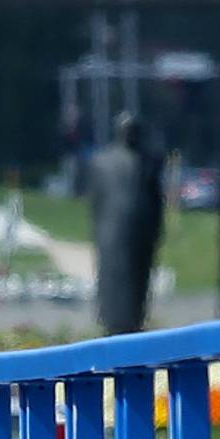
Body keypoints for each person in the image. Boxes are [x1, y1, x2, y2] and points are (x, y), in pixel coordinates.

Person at [88, 104, 168, 336]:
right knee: (116, 282)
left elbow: (155, 200)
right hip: (117, 232)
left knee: (134, 283)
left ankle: (129, 323)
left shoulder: (146, 162)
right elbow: (96, 202)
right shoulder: (105, 162)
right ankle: (115, 324)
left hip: (135, 232)